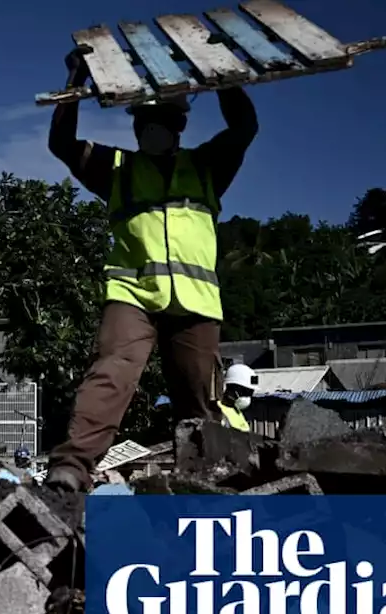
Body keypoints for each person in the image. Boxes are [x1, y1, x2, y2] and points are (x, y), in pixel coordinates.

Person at [44, 48, 259, 492]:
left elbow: (244, 128)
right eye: (146, 121)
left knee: (197, 397)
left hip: (196, 301)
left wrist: (221, 79)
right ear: (136, 126)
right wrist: (74, 86)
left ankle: (200, 481)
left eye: (164, 120)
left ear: (180, 127)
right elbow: (62, 145)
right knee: (111, 372)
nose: (154, 129)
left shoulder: (206, 167)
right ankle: (73, 466)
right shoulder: (117, 169)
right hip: (133, 294)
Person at [219, 363, 258, 431]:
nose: (248, 396)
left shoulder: (237, 411)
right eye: (246, 392)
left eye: (251, 393)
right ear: (234, 387)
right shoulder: (218, 411)